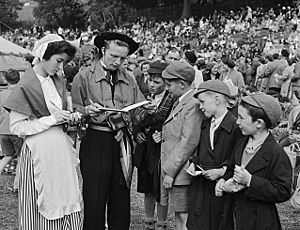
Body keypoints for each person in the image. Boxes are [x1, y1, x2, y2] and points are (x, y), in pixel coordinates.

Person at [4, 34, 82, 230]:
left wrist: (69, 118)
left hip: (60, 151)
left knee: (65, 197)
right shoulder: (25, 85)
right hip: (38, 151)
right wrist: (52, 119)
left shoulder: (57, 81)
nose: (60, 67)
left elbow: (59, 115)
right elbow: (18, 127)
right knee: (40, 202)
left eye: (63, 62)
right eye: (58, 61)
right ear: (44, 55)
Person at [71, 31, 145, 230]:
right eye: (114, 56)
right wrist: (85, 111)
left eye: (122, 58)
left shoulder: (129, 78)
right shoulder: (84, 76)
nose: (118, 61)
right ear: (103, 50)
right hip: (96, 140)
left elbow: (139, 107)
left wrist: (143, 112)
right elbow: (73, 111)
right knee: (94, 196)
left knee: (121, 196)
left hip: (122, 142)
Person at [216, 92, 292, 230]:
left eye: (241, 117)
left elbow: (283, 191)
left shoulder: (276, 153)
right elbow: (232, 169)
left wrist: (250, 181)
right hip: (233, 216)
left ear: (258, 123)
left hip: (258, 221)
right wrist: (223, 180)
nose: (237, 121)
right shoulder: (241, 144)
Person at [187, 80, 243, 230]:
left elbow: (239, 160)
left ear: (217, 99)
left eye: (202, 102)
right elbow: (202, 151)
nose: (200, 106)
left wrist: (223, 171)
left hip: (222, 193)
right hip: (202, 191)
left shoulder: (236, 127)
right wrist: (194, 162)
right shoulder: (205, 124)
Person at [160, 61, 203, 230]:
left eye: (169, 84)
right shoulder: (181, 101)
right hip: (177, 170)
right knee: (179, 215)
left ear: (182, 84)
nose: (167, 89)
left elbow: (188, 142)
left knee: (183, 217)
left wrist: (170, 171)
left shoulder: (191, 105)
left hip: (180, 171)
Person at [133, 61, 174, 230]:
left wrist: (164, 133)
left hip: (160, 148)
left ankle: (162, 223)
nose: (152, 85)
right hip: (146, 147)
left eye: (157, 82)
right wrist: (137, 132)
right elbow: (134, 118)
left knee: (160, 188)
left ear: (166, 83)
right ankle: (149, 220)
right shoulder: (143, 96)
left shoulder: (171, 100)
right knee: (147, 186)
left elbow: (171, 122)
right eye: (150, 80)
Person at [0, 69, 23, 192]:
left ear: (6, 79)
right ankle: (16, 186)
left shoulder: (1, 94)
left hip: (3, 130)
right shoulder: (20, 93)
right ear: (19, 78)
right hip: (17, 130)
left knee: (7, 156)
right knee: (20, 158)